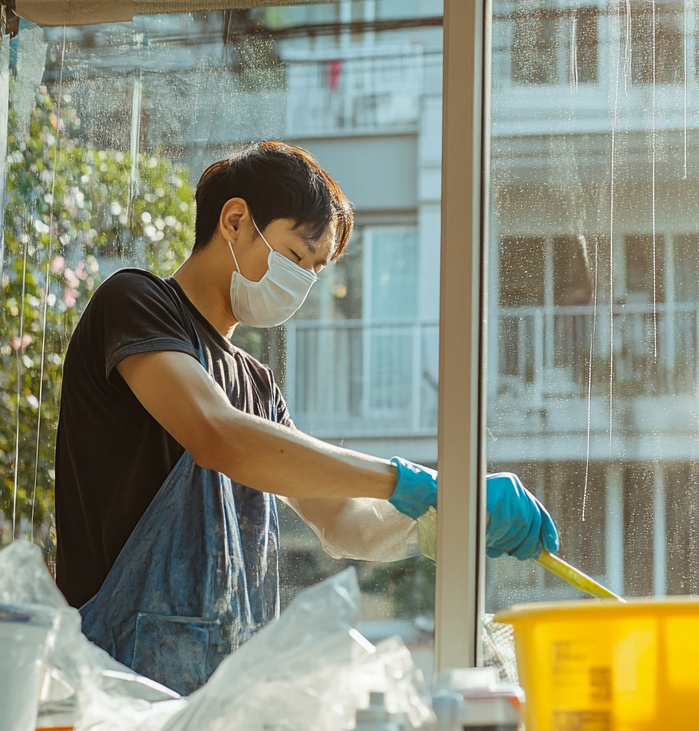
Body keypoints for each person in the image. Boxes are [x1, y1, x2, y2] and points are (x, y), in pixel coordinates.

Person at [54, 142, 557, 694]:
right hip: (113, 684)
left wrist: (447, 514)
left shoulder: (258, 386)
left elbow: (343, 521)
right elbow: (217, 436)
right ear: (236, 220)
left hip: (222, 693)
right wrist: (413, 481)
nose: (303, 284)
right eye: (298, 257)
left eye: (315, 271)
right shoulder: (138, 303)